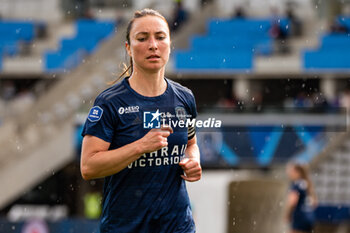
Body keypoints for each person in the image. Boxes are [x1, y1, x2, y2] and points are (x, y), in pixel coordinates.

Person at [80, 8, 202, 233]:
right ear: (128, 47)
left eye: (160, 37)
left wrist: (193, 161)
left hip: (177, 226)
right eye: (142, 38)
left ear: (169, 43)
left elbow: (191, 144)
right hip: (127, 227)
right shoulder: (110, 103)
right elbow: (88, 167)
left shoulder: (185, 98)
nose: (153, 45)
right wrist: (140, 147)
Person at [285, 163, 317, 233]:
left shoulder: (296, 185)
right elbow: (314, 203)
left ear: (297, 172)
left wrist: (288, 214)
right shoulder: (307, 183)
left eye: (291, 171)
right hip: (309, 217)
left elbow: (293, 201)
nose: (289, 173)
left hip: (299, 217)